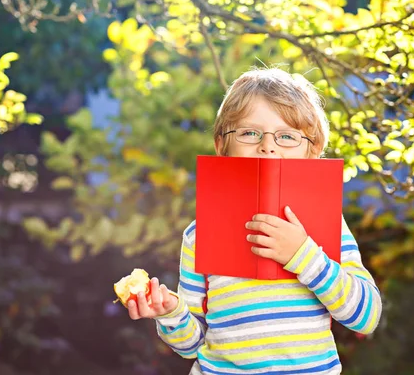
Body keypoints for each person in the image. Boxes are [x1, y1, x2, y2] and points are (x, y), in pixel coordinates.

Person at [126, 68, 382, 374]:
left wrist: (303, 255)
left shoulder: (327, 224)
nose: (268, 146)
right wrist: (169, 313)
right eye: (249, 133)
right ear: (222, 146)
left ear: (311, 151)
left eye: (287, 135)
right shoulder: (201, 233)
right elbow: (193, 345)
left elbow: (366, 316)